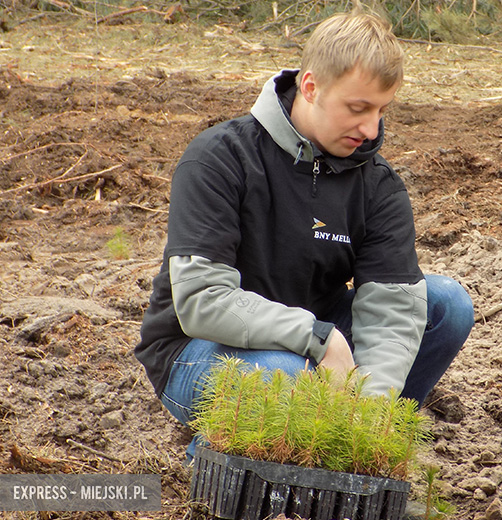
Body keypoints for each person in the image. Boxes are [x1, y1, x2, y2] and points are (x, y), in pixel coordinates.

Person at [134, 8, 474, 460]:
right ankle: (216, 462)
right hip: (200, 351)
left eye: (380, 110)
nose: (371, 129)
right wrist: (319, 337)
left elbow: (393, 310)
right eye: (357, 108)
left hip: (310, 348)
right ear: (311, 87)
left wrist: (368, 413)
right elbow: (203, 301)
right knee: (284, 373)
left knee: (445, 305)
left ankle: (353, 454)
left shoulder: (377, 183)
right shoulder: (220, 158)